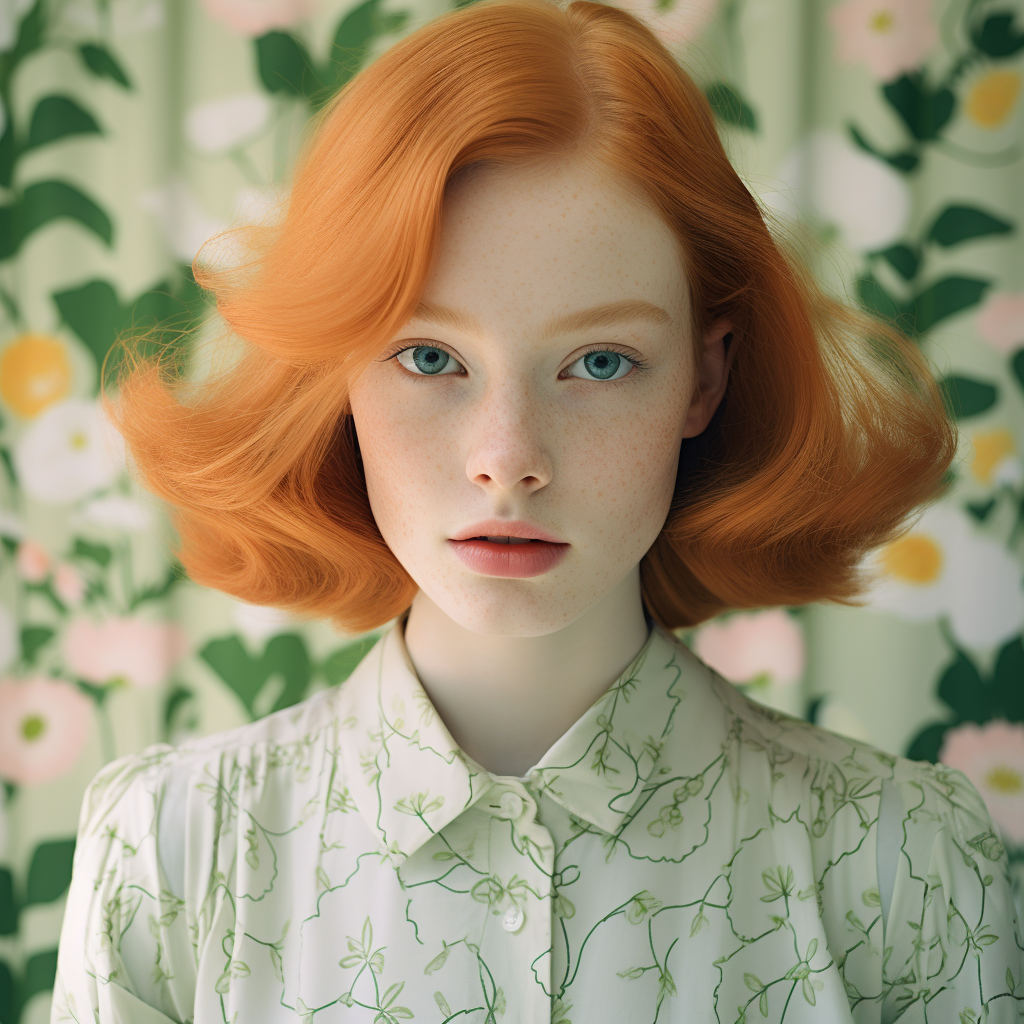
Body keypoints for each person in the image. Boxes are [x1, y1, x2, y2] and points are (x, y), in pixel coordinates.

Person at [51, 0, 1023, 1021]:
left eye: (600, 361)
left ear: (704, 376)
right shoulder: (169, 846)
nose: (508, 461)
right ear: (338, 371)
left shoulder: (904, 855)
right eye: (430, 357)